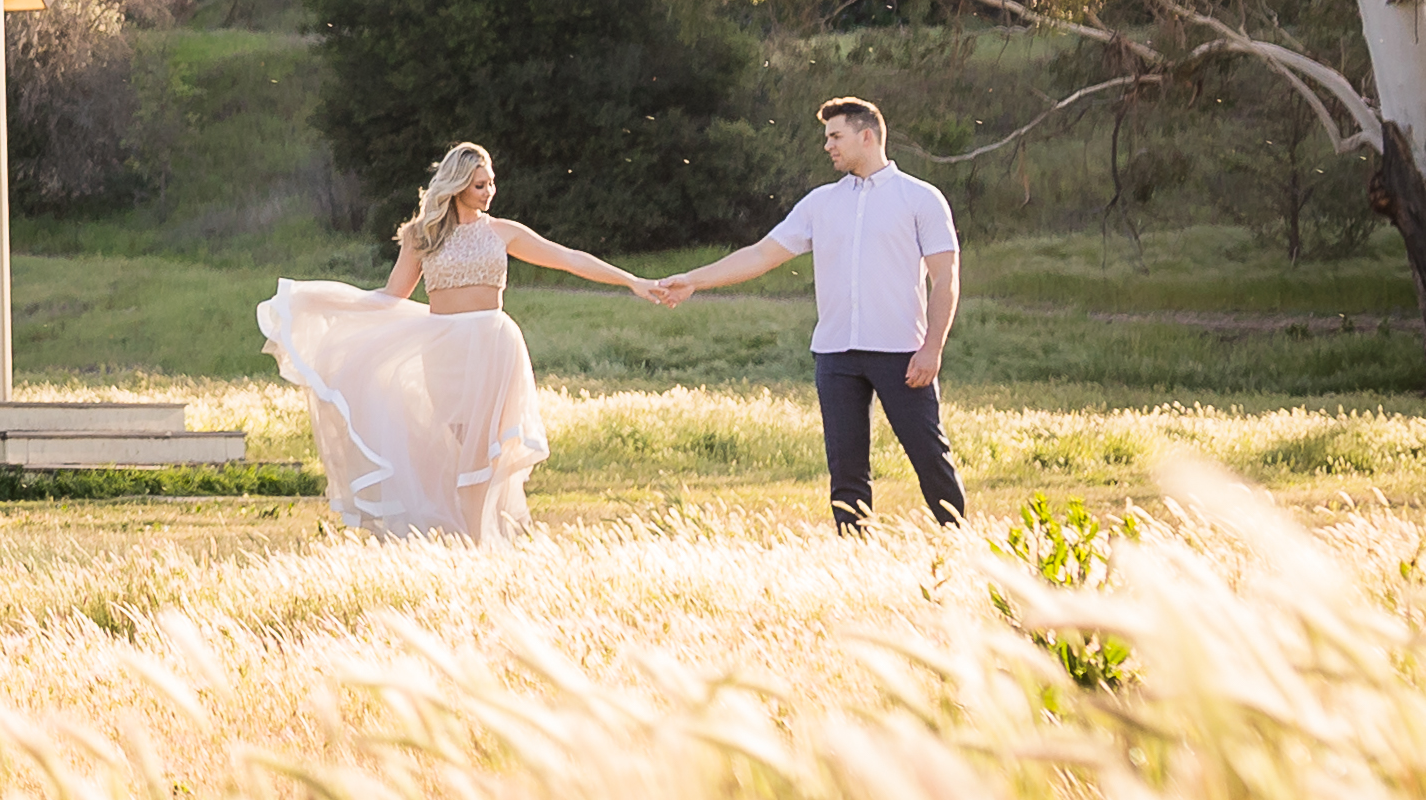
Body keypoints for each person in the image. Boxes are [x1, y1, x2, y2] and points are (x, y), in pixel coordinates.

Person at [259, 141, 665, 542]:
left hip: (492, 345)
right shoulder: (423, 235)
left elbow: (569, 257)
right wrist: (329, 301)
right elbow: (392, 295)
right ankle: (469, 535)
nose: (488, 192)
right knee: (458, 443)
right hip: (443, 350)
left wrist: (632, 281)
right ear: (455, 187)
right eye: (479, 186)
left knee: (482, 447)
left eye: (490, 183)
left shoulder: (503, 232)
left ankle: (479, 541)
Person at [650, 96, 967, 529]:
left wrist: (932, 348)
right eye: (827, 137)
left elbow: (945, 278)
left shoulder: (920, 199)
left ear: (867, 136)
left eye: (836, 136)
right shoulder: (820, 203)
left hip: (901, 352)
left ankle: (958, 542)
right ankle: (853, 553)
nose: (828, 146)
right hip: (835, 355)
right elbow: (761, 254)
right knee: (846, 469)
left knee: (929, 456)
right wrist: (694, 279)